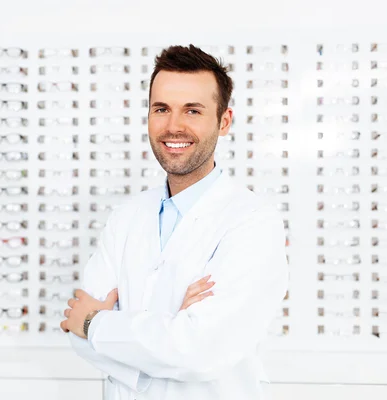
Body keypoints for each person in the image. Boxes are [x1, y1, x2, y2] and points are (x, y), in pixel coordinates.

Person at [61, 44, 289, 400]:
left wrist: (96, 324)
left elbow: (201, 351)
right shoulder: (126, 217)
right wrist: (170, 330)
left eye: (193, 110)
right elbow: (76, 337)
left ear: (224, 121)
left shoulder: (254, 223)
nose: (173, 126)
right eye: (161, 109)